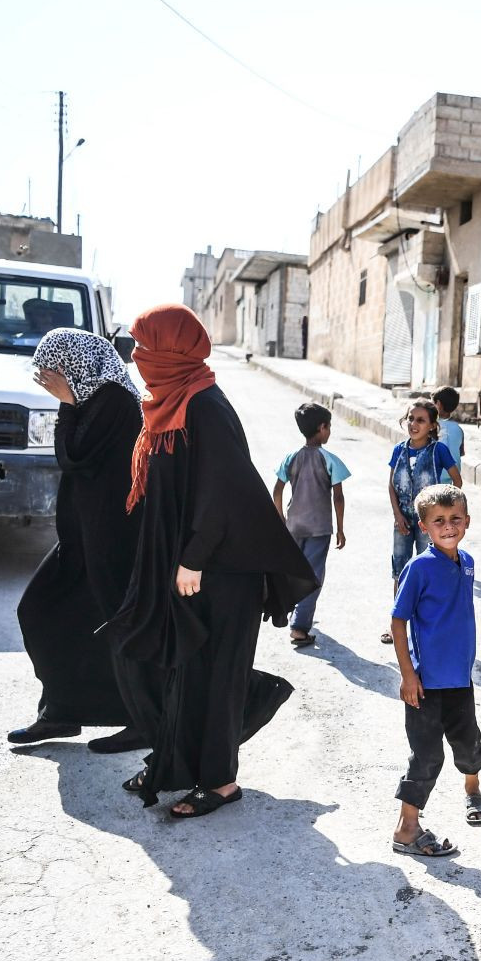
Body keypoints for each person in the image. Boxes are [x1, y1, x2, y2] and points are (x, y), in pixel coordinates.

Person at [109, 304, 315, 818]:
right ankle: (173, 764)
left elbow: (224, 493)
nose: (137, 357)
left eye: (145, 346)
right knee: (182, 667)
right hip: (191, 562)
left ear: (171, 352)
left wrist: (194, 559)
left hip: (223, 567)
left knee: (219, 674)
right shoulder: (169, 401)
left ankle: (220, 781)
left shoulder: (205, 406)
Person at [8, 328, 147, 754]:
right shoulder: (95, 401)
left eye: (54, 370)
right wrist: (70, 403)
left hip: (110, 541)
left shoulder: (115, 403)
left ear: (78, 365)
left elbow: (72, 455)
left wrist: (66, 404)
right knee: (43, 612)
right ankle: (61, 712)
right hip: (83, 537)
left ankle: (140, 719)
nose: (48, 379)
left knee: (118, 630)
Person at [389, 483, 481, 857]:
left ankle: (472, 791)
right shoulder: (418, 568)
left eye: (455, 519)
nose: (448, 527)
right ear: (423, 526)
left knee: (468, 742)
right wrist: (407, 675)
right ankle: (407, 828)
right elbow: (398, 622)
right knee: (427, 754)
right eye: (439, 521)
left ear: (467, 521)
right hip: (425, 683)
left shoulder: (467, 563)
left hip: (459, 680)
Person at [273, 403, 350, 648]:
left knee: (294, 570)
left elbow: (277, 490)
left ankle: (286, 610)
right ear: (321, 427)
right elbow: (338, 497)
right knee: (313, 576)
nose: (329, 432)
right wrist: (340, 528)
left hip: (294, 525)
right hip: (319, 529)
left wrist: (280, 518)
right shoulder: (329, 460)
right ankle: (299, 627)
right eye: (329, 427)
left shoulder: (291, 457)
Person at [383, 399, 459, 645]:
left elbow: (456, 482)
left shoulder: (439, 451)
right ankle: (397, 626)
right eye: (411, 419)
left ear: (432, 425)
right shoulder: (399, 450)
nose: (414, 424)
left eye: (421, 420)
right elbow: (391, 485)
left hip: (429, 523)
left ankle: (431, 622)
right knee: (400, 571)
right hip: (402, 520)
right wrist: (397, 515)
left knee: (430, 567)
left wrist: (438, 513)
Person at [432, 385, 467, 464]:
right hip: (454, 474)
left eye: (432, 404)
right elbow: (461, 453)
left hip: (436, 475)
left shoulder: (431, 427)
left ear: (438, 404)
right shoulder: (459, 429)